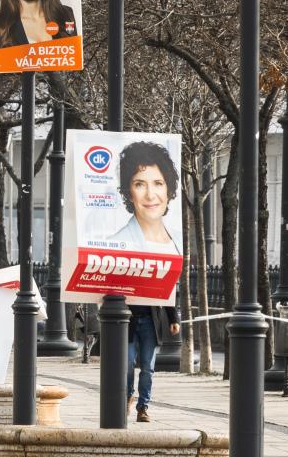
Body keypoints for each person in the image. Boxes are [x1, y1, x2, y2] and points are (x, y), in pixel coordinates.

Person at [110, 141, 182, 423]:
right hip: (127, 317)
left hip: (151, 317)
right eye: (140, 183)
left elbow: (168, 284)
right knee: (127, 363)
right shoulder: (119, 241)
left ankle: (143, 406)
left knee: (149, 367)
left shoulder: (172, 242)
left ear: (168, 189)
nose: (151, 194)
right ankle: (126, 396)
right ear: (129, 191)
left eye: (158, 183)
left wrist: (172, 316)